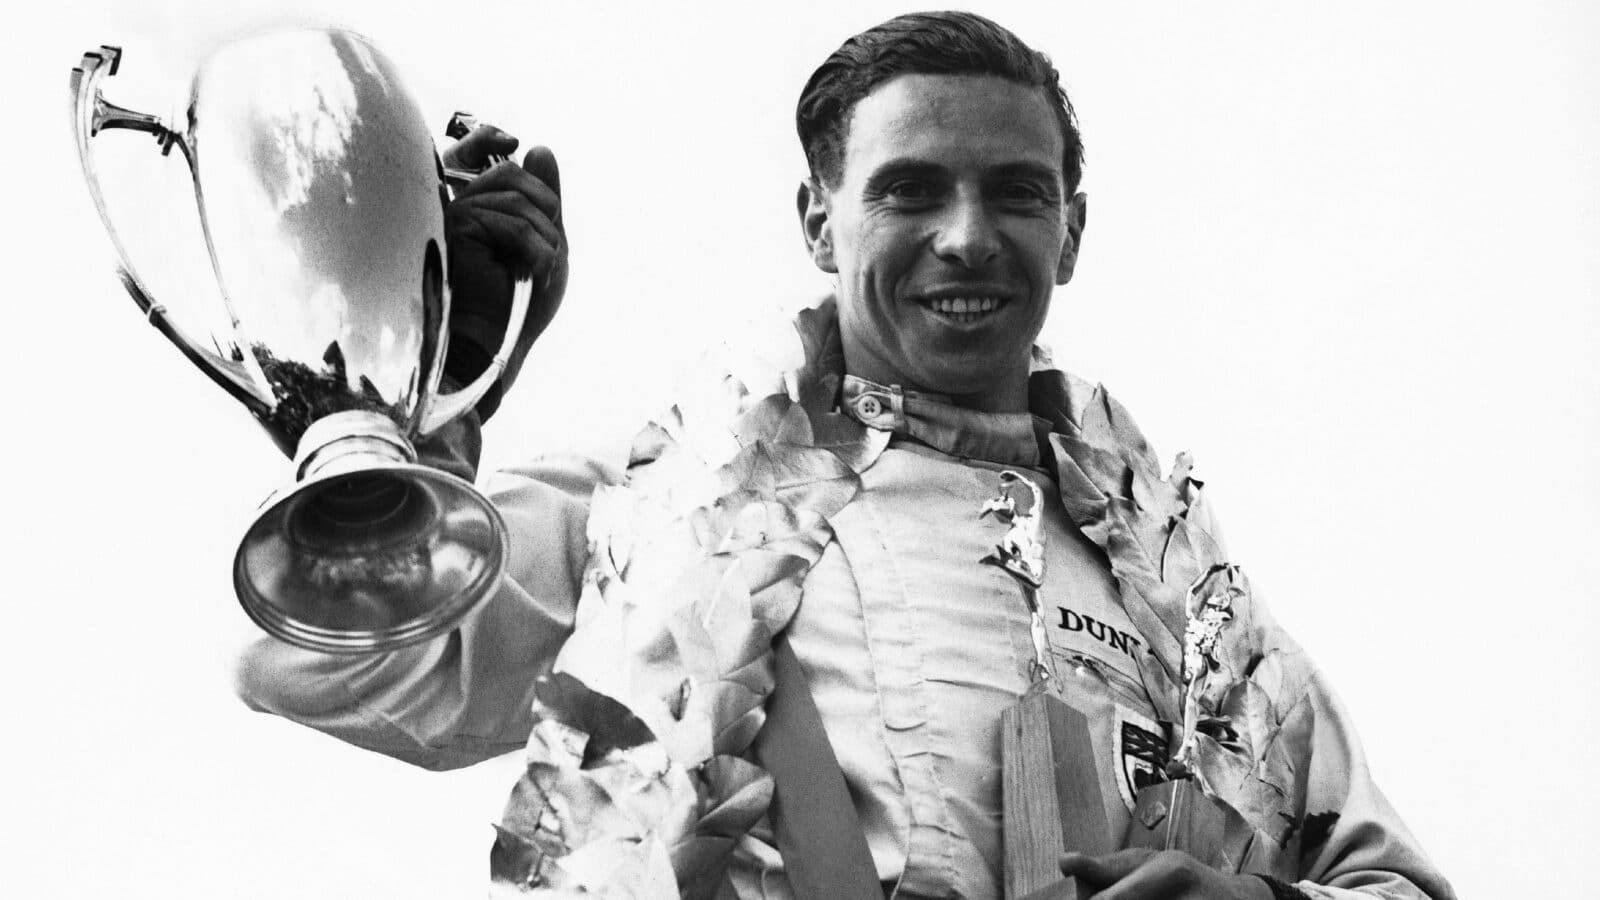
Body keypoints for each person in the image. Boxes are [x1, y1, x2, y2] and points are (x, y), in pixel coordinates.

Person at [237, 12, 1454, 900]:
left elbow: (1393, 885)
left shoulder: (1194, 605)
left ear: (1070, 231)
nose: (966, 239)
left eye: (1016, 195)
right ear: (819, 220)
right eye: (910, 191)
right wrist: (434, 396)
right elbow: (326, 666)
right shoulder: (658, 502)